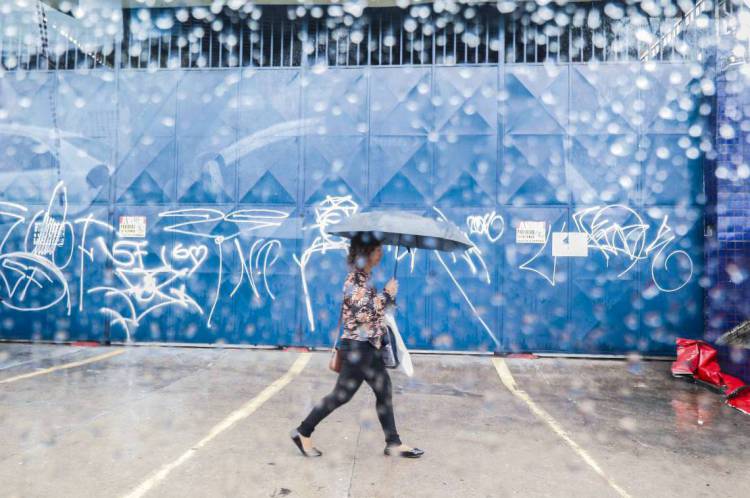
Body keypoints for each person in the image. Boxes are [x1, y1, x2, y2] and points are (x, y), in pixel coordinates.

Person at [290, 236, 424, 458]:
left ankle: (393, 442)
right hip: (358, 349)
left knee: (383, 390)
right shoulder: (354, 280)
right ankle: (303, 431)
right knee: (341, 395)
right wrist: (387, 293)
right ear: (366, 253)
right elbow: (363, 315)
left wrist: (387, 300)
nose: (381, 253)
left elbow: (371, 311)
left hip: (368, 348)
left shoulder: (365, 279)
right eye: (377, 250)